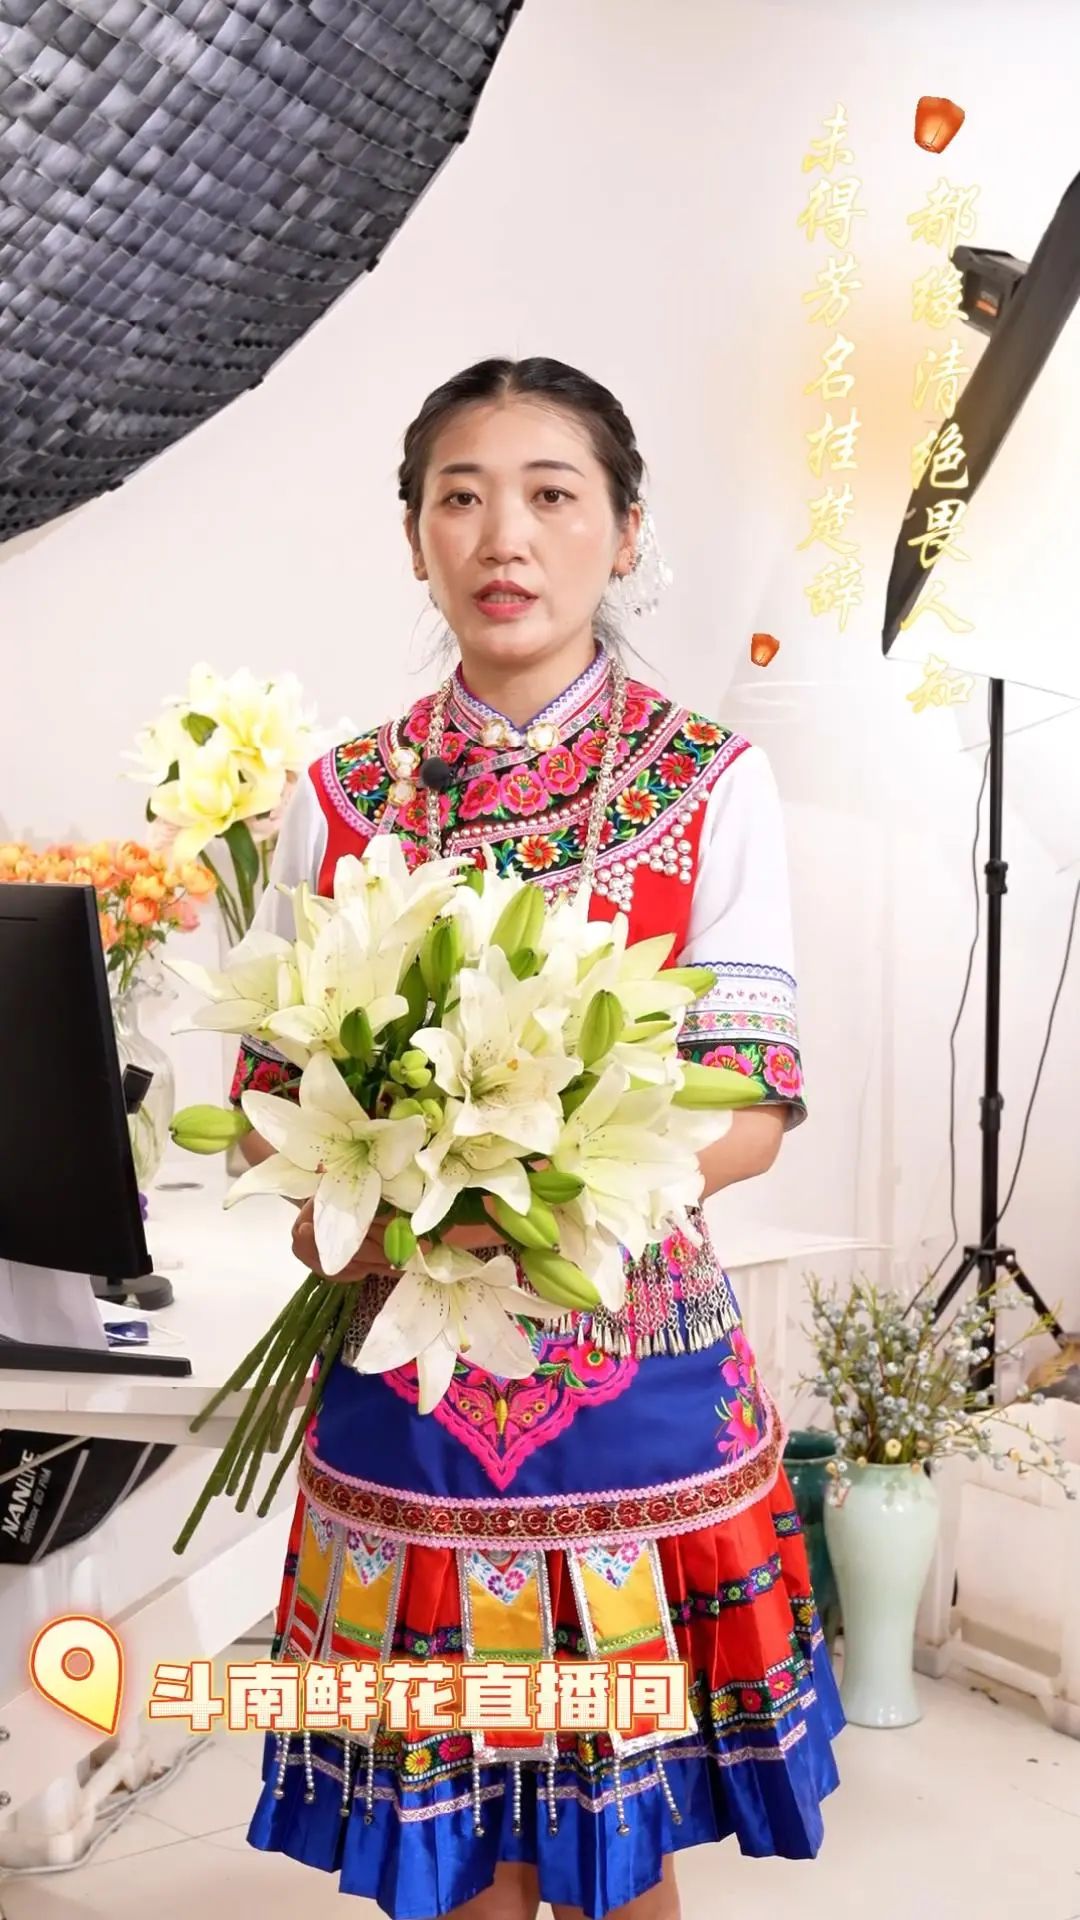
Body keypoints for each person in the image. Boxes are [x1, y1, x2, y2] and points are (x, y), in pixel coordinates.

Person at [232, 357, 843, 1920]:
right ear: (416, 537)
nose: (504, 535)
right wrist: (354, 1210)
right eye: (461, 497)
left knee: (620, 1854)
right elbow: (269, 1102)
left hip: (631, 1386)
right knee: (451, 1852)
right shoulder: (341, 799)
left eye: (552, 495)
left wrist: (519, 1208)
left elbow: (749, 1103)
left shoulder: (708, 783)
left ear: (626, 532)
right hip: (409, 1394)